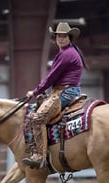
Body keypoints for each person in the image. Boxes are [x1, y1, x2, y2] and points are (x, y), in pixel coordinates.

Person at [22, 22, 87, 169]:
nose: (61, 39)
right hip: (65, 90)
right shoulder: (68, 52)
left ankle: (40, 156)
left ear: (69, 37)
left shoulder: (66, 54)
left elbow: (51, 77)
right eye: (59, 36)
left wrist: (35, 91)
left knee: (38, 119)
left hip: (66, 92)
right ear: (55, 37)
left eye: (64, 36)